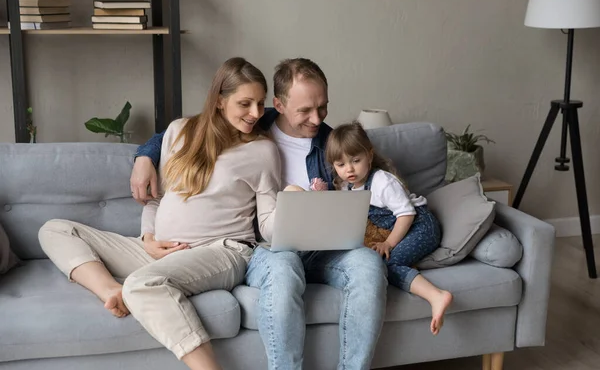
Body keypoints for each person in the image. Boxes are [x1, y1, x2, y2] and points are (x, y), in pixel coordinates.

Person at [131, 58, 388, 370]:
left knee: (368, 264)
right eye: (305, 110)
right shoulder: (253, 125)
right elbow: (189, 131)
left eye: (323, 107)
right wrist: (144, 155)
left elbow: (378, 185)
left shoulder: (335, 143)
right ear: (278, 105)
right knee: (284, 265)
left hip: (324, 249)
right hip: (268, 248)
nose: (316, 118)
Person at [38, 57, 281, 370]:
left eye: (260, 104)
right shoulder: (179, 132)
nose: (256, 114)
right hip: (157, 251)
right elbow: (157, 199)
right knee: (54, 229)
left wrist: (293, 203)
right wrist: (148, 238)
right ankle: (110, 290)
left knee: (141, 284)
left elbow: (267, 225)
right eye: (245, 103)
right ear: (219, 101)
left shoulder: (262, 150)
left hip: (222, 251)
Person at [325, 121, 453, 336]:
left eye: (356, 161)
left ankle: (436, 295)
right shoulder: (346, 186)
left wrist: (389, 243)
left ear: (370, 155)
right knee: (371, 264)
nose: (349, 169)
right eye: (340, 164)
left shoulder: (382, 181)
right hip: (398, 228)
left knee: (387, 264)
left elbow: (406, 214)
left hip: (420, 226)